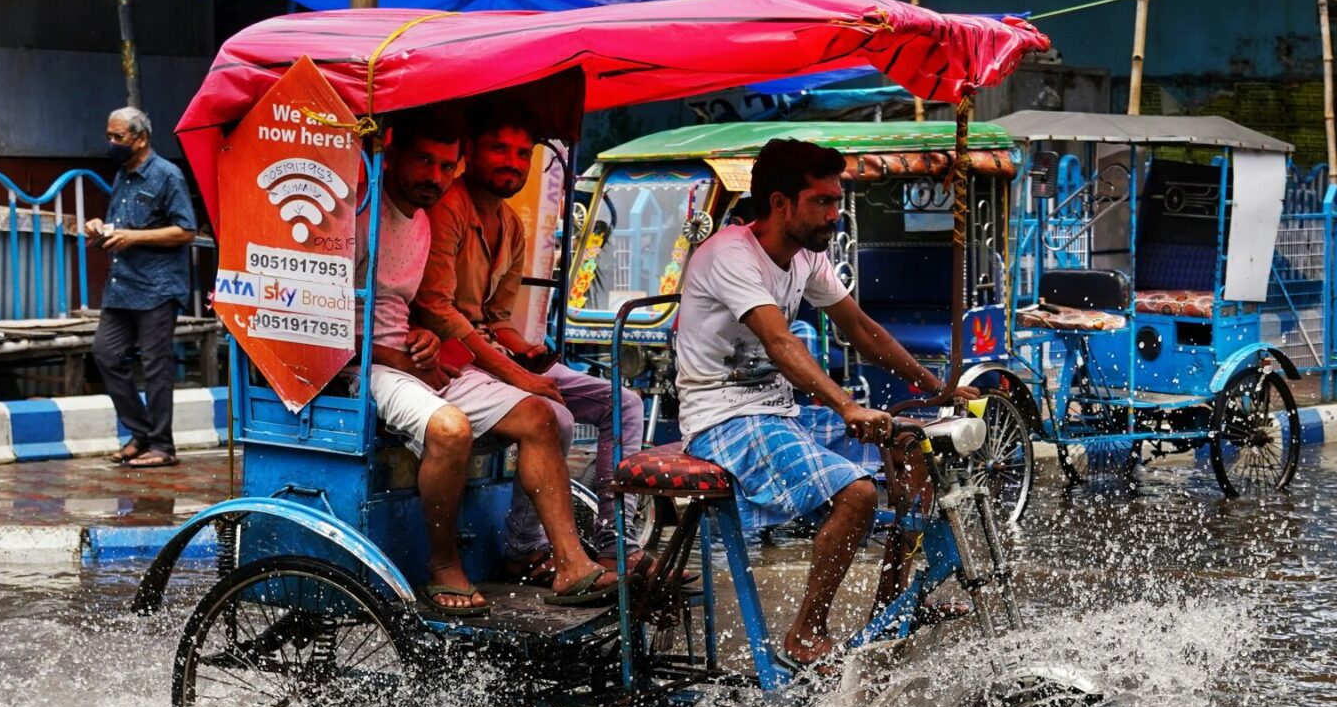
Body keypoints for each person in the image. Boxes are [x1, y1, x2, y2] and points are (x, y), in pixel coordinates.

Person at [673, 138, 946, 670]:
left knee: (918, 453)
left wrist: (938, 388)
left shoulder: (806, 258)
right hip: (722, 419)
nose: (834, 214)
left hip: (779, 413)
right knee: (858, 495)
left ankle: (891, 611)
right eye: (822, 202)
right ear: (780, 204)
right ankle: (805, 633)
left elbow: (862, 330)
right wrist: (847, 406)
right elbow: (780, 343)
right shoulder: (731, 253)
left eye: (836, 201)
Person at [367, 107, 617, 619]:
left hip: (411, 359)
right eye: (422, 162)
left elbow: (417, 309)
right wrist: (410, 352)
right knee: (451, 429)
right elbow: (342, 329)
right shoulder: (360, 216)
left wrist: (424, 343)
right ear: (391, 155)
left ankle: (571, 562)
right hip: (364, 367)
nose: (433, 178)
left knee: (541, 416)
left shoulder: (419, 222)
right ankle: (444, 567)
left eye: (444, 166)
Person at [415, 100, 648, 578]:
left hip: (492, 355)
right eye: (499, 149)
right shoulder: (446, 210)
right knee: (554, 416)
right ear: (471, 153)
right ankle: (527, 546)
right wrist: (517, 372)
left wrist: (524, 351)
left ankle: (615, 545)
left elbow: (496, 319)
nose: (512, 163)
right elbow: (437, 311)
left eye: (522, 154)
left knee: (624, 404)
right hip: (453, 360)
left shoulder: (511, 225)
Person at [89, 108, 198, 469]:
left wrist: (133, 237)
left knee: (155, 365)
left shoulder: (168, 176)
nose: (112, 143)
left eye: (118, 137)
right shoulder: (123, 175)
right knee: (106, 354)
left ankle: (162, 446)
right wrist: (100, 229)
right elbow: (124, 225)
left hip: (158, 285)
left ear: (141, 138)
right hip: (122, 286)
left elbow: (186, 231)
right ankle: (141, 434)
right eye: (109, 136)